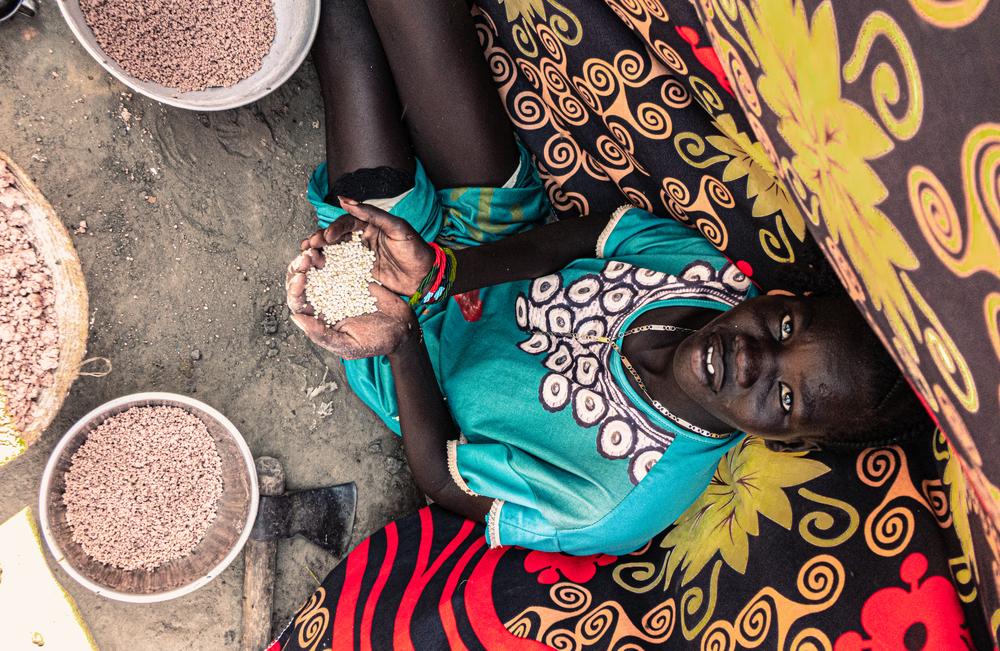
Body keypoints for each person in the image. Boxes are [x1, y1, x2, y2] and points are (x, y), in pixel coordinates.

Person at [285, 0, 927, 555]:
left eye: (785, 399)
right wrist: (444, 271)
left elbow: (442, 475)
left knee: (354, 90)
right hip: (488, 244)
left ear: (788, 442)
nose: (757, 358)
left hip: (411, 352)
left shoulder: (612, 506)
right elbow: (584, 234)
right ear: (790, 297)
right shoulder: (710, 277)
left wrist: (401, 332)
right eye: (787, 327)